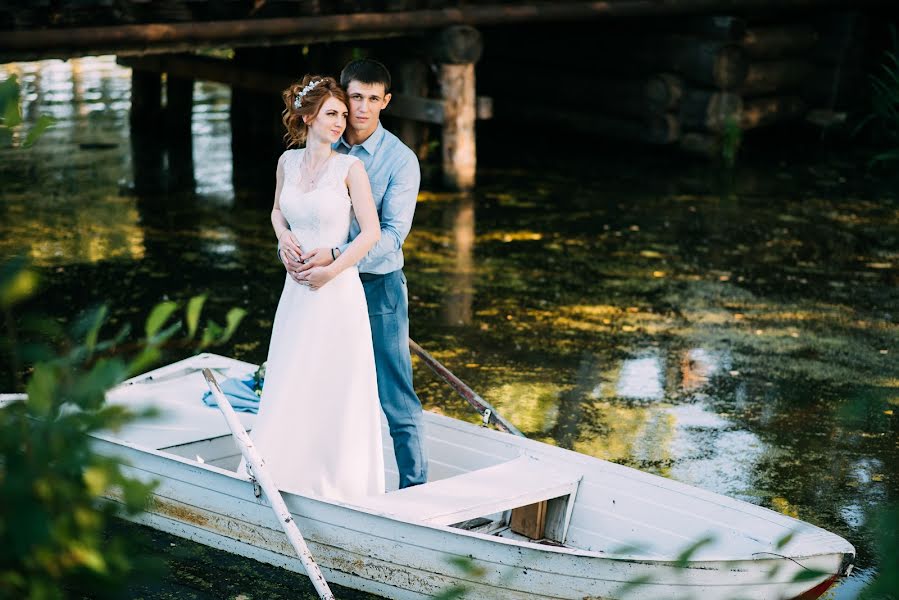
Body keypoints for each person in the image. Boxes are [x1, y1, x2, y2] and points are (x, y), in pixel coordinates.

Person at [280, 59, 428, 489]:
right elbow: (294, 210)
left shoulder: (400, 161)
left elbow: (392, 236)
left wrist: (335, 256)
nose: (361, 109)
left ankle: (415, 490)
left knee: (395, 394)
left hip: (377, 287)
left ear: (386, 102)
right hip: (320, 291)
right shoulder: (323, 142)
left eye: (372, 99)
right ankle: (317, 479)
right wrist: (286, 243)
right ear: (343, 99)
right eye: (354, 98)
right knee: (320, 382)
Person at [246, 75, 385, 503]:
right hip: (295, 291)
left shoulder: (350, 169)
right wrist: (281, 236)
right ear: (307, 118)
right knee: (293, 374)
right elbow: (275, 212)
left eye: (344, 115)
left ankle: (339, 482)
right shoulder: (287, 163)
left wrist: (332, 269)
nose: (341, 121)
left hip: (335, 293)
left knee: (333, 381)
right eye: (332, 113)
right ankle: (284, 470)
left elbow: (371, 234)